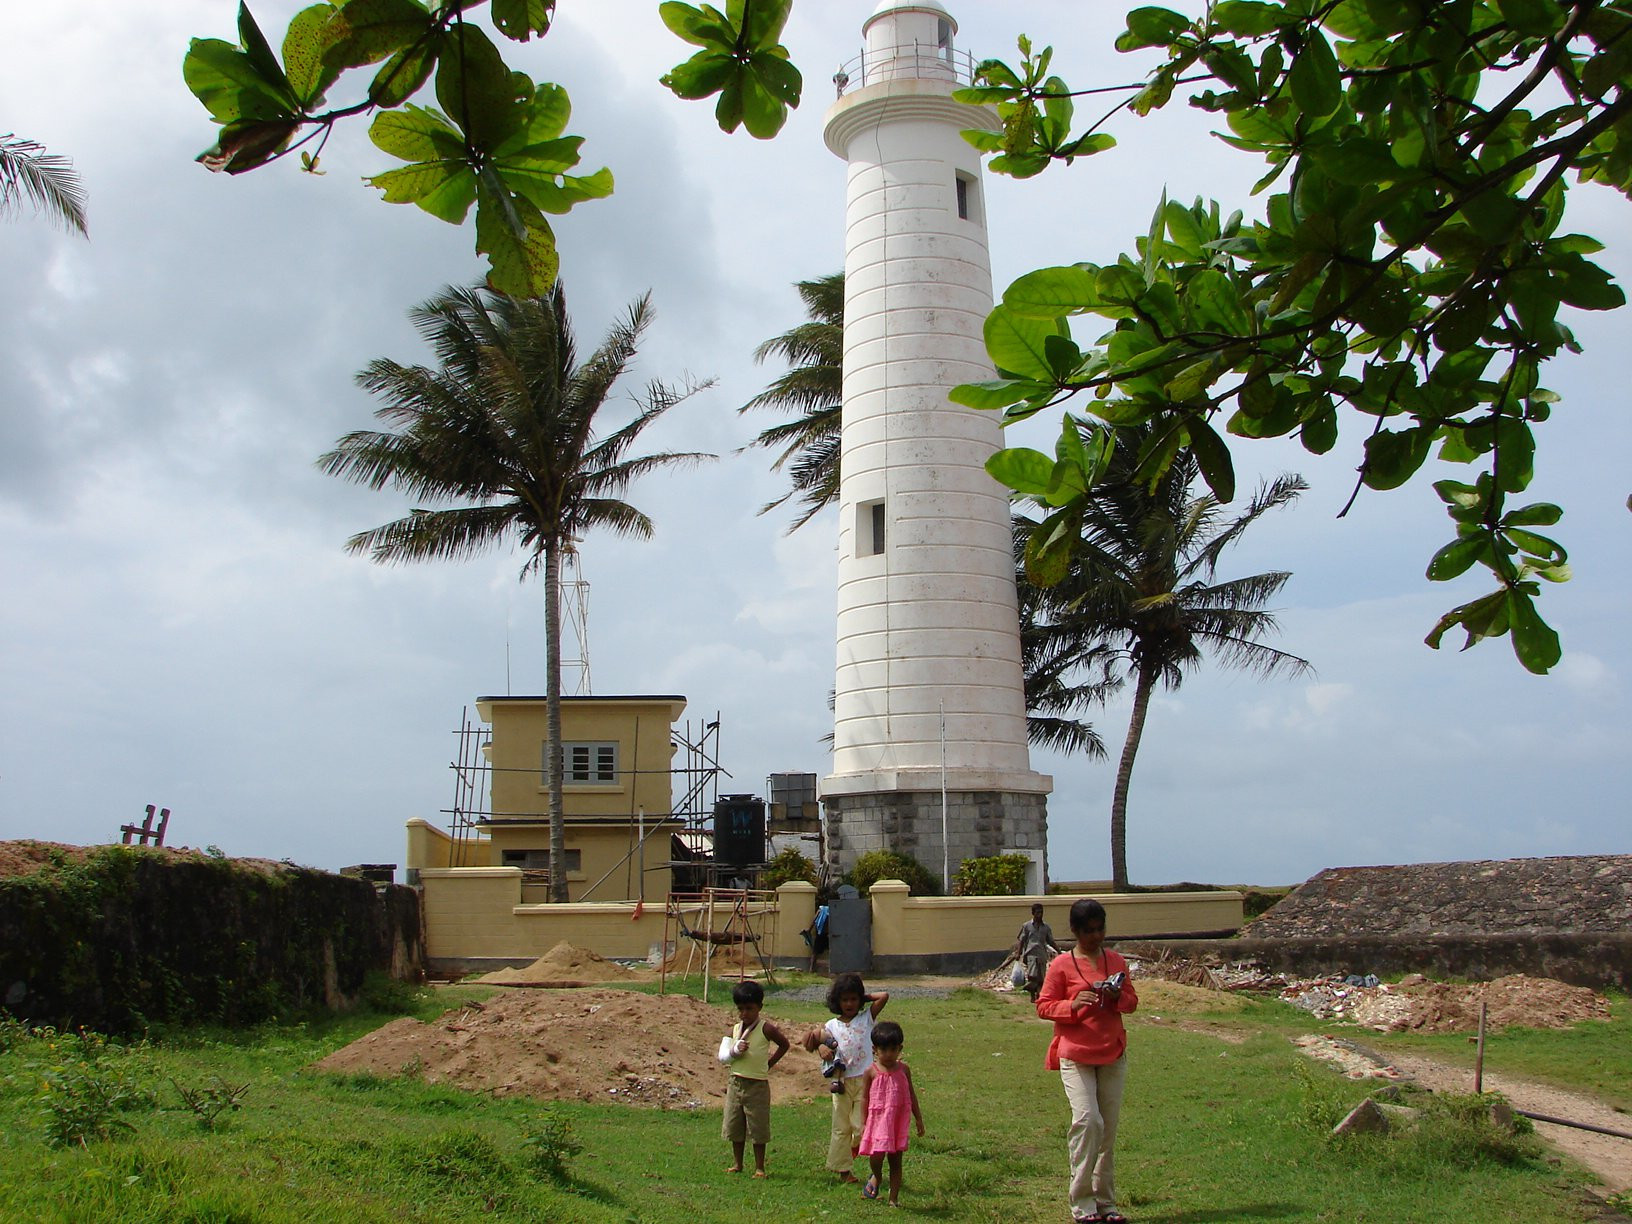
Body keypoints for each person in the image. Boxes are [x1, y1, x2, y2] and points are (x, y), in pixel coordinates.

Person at [1036, 898, 1139, 1224]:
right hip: (1075, 1054)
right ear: (1075, 931)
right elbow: (1043, 1006)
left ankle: (1106, 1204)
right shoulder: (1061, 965)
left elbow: (1132, 1002)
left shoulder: (1115, 960)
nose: (1096, 936)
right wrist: (1073, 1004)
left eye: (1100, 929)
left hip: (1112, 1053)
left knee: (1106, 1132)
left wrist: (1117, 997)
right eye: (1088, 931)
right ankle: (1082, 1204)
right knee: (1088, 1121)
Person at [807, 971, 890, 1183]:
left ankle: (855, 1148)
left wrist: (863, 997)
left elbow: (884, 996)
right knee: (840, 1127)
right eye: (844, 999)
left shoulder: (866, 1018)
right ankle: (844, 1171)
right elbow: (817, 1042)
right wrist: (821, 1048)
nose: (849, 1004)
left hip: (865, 1080)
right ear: (837, 1001)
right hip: (841, 1082)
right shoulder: (831, 1025)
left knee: (861, 1126)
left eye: (854, 999)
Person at [720, 979, 790, 1177]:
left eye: (749, 1008)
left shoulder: (765, 1028)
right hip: (735, 1082)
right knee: (735, 1124)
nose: (745, 1013)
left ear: (759, 1007)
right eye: (740, 1009)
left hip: (757, 1085)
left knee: (758, 1126)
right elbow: (724, 1054)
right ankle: (737, 1163)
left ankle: (760, 1167)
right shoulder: (734, 1030)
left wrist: (769, 1063)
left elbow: (784, 1044)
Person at [856, 1020, 925, 1206]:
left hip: (897, 1121)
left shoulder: (904, 1070)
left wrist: (918, 1118)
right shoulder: (871, 1072)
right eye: (883, 1050)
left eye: (893, 1050)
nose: (888, 1054)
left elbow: (911, 1094)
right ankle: (877, 1176)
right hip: (877, 1121)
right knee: (876, 1156)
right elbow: (864, 1098)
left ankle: (893, 1199)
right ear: (874, 1050)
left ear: (900, 1048)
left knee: (896, 1160)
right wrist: (863, 1122)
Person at [1014, 902, 1061, 1001]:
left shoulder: (1046, 927)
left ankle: (1039, 996)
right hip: (1031, 954)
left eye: (1041, 912)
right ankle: (1032, 994)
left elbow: (1051, 941)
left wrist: (1058, 951)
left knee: (1041, 977)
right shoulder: (1027, 926)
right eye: (1038, 912)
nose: (1040, 915)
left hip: (1042, 954)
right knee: (1033, 976)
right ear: (1033, 913)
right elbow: (1021, 940)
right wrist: (1018, 953)